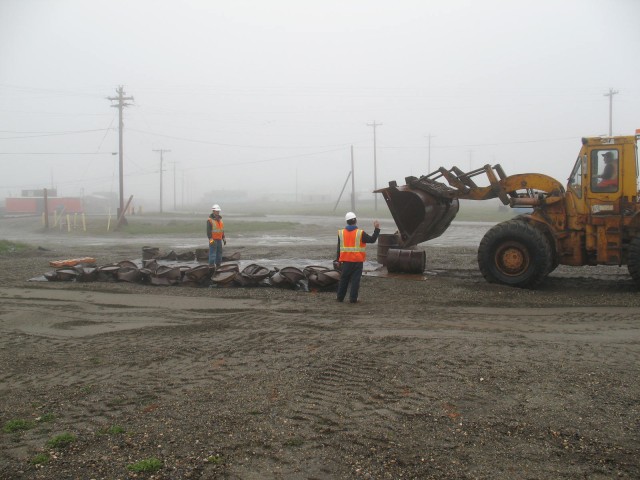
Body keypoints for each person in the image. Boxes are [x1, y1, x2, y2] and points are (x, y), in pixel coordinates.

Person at [336, 211, 380, 303]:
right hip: (357, 261)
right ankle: (353, 299)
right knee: (355, 280)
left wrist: (338, 260)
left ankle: (340, 298)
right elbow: (372, 240)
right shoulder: (360, 233)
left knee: (344, 279)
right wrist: (376, 229)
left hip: (345, 261)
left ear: (347, 222)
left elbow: (339, 247)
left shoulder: (341, 233)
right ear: (355, 221)